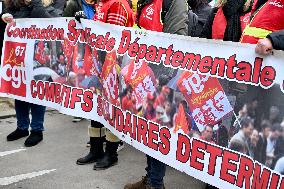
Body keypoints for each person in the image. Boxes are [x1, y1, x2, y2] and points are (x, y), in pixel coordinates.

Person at [124, 0, 188, 188]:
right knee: (147, 131)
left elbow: (177, 40)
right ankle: (150, 177)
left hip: (161, 78)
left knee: (159, 134)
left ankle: (156, 183)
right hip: (144, 76)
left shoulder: (174, 2)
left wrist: (165, 76)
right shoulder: (146, 2)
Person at [74, 0, 135, 170]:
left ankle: (111, 153)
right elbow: (97, 30)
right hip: (99, 63)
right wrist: (84, 21)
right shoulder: (102, 3)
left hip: (112, 65)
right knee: (96, 108)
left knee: (111, 110)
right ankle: (96, 149)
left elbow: (111, 38)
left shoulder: (117, 3)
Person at [2, 0, 60, 147]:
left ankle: (36, 130)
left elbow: (47, 22)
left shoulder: (45, 7)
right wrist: (5, 18)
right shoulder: (13, 7)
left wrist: (35, 3)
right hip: (19, 59)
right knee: (19, 94)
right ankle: (22, 127)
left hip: (38, 60)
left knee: (37, 95)